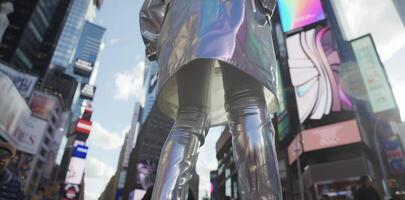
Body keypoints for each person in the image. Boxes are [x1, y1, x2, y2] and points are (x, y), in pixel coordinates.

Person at [139, 0, 281, 199]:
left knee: (189, 117)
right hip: (238, 8)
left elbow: (152, 5)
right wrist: (264, 8)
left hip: (184, 17)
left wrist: (154, 41)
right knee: (248, 104)